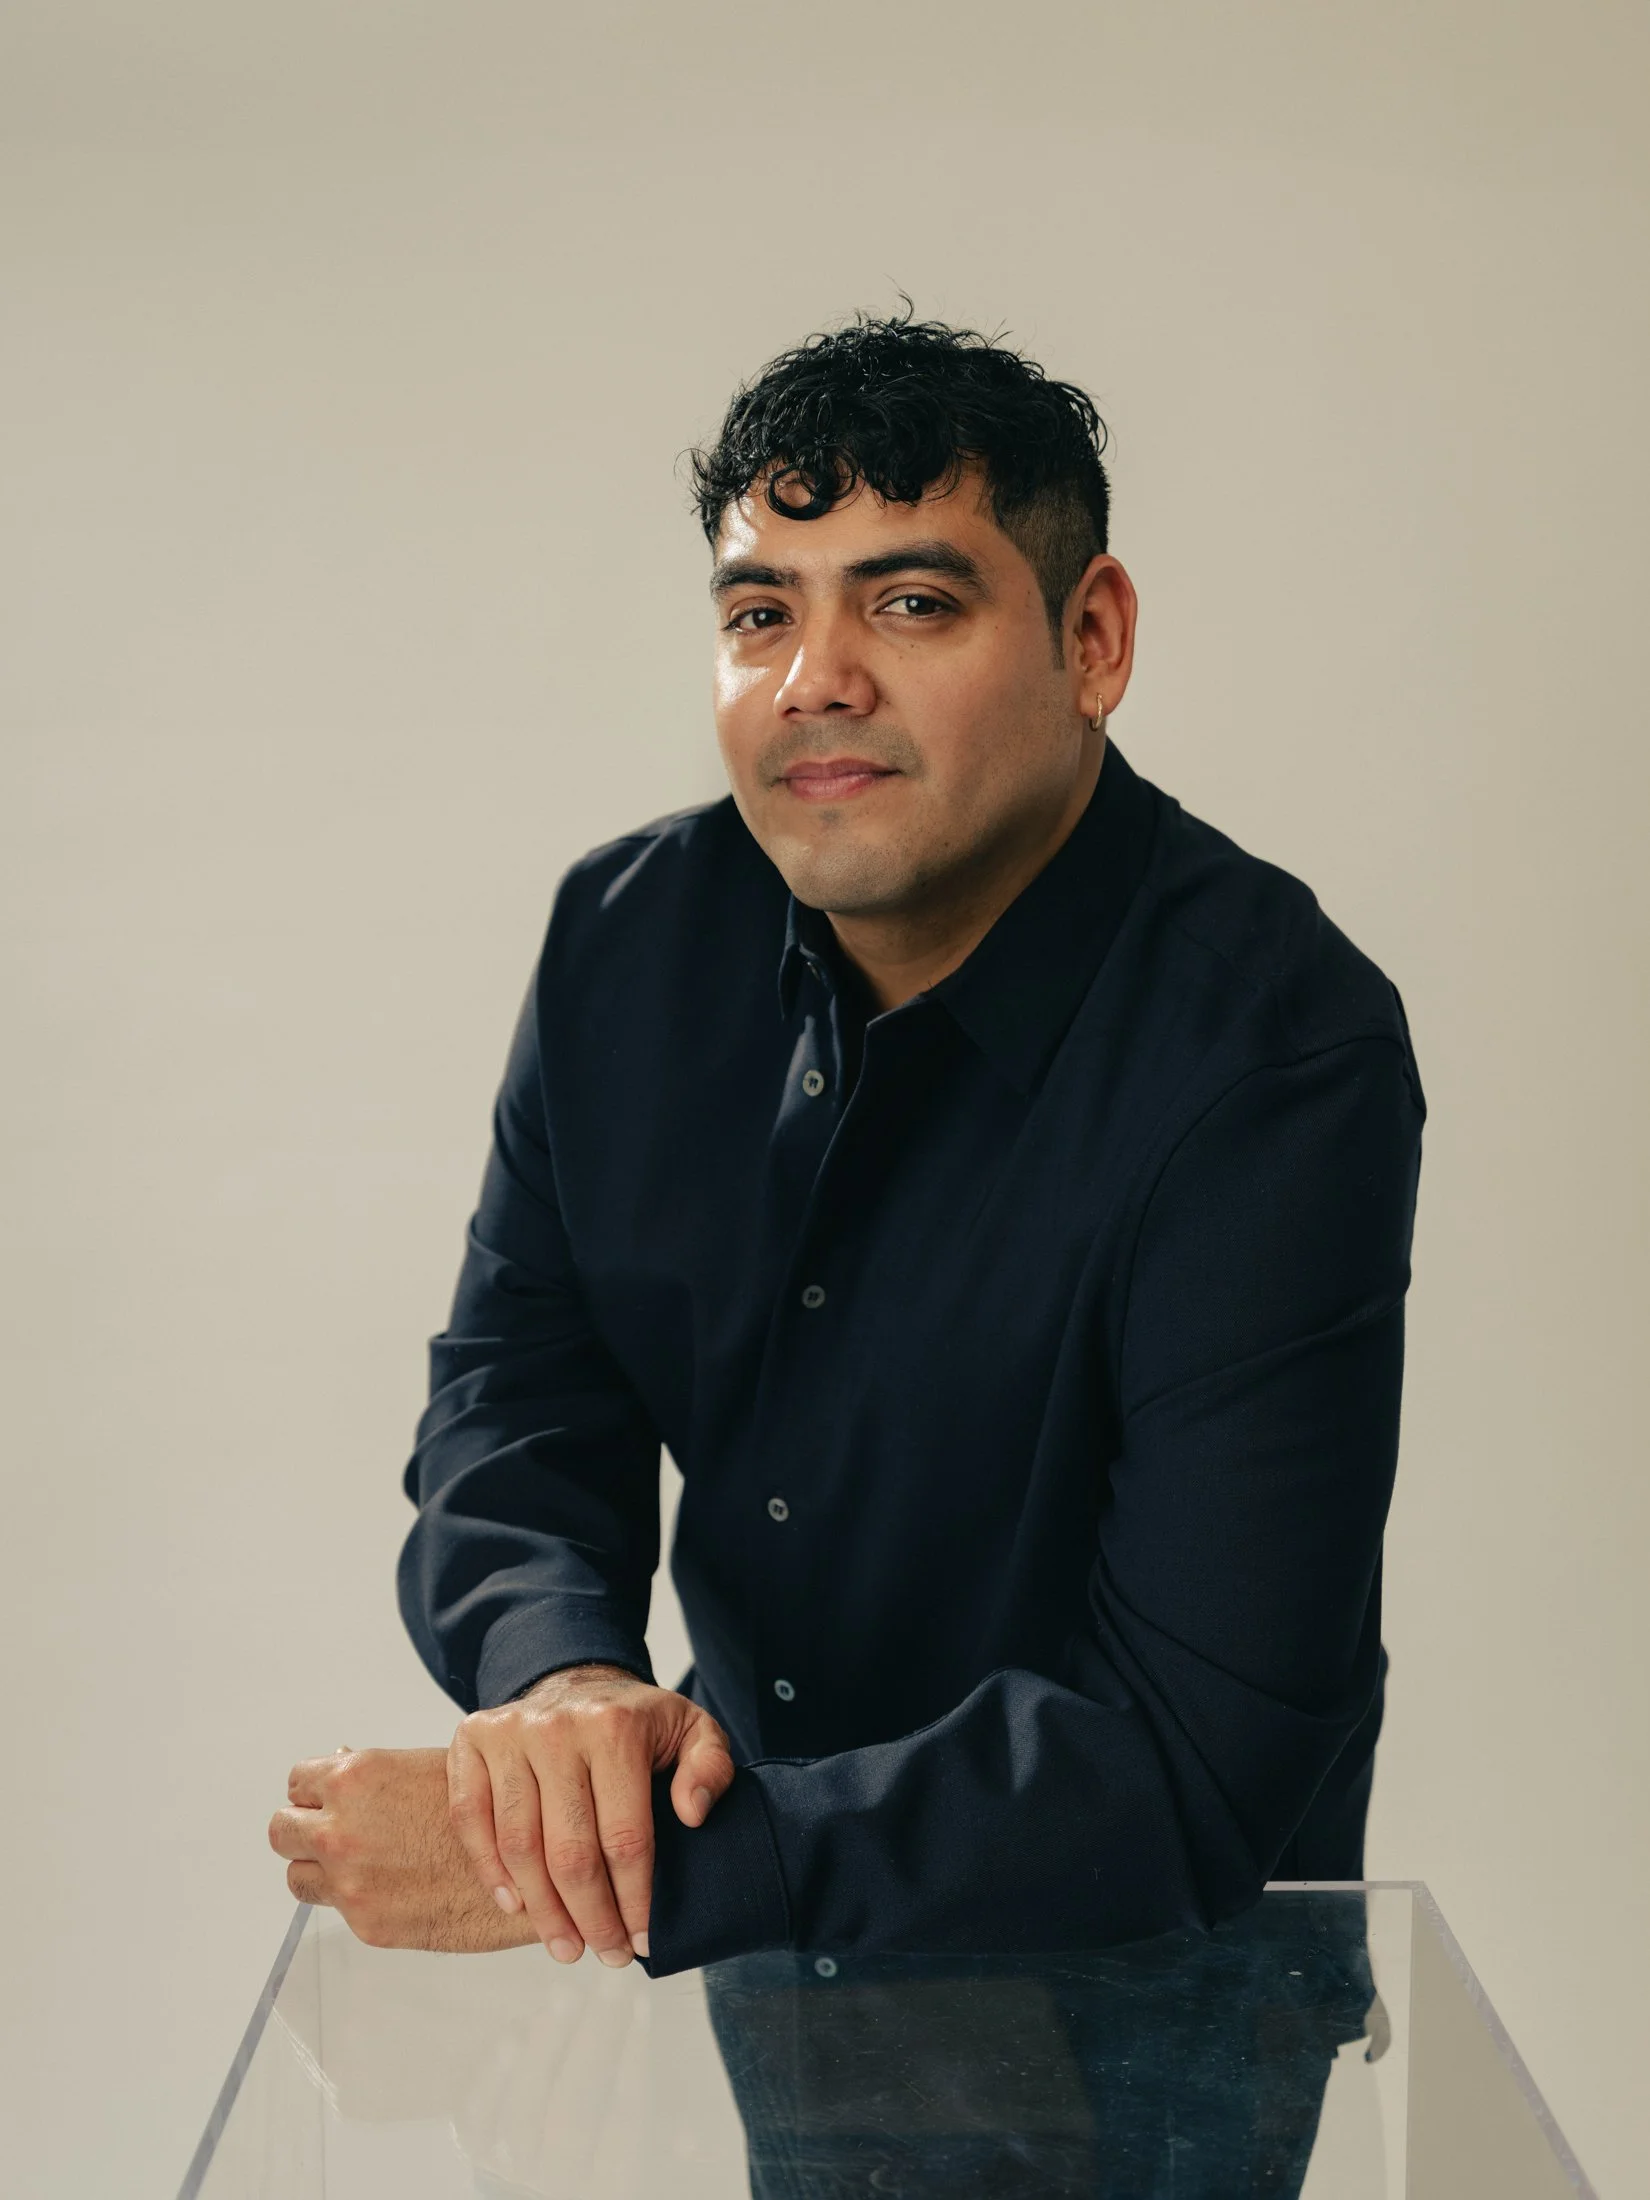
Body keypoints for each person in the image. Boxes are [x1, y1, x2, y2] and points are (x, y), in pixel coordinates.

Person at [269, 308, 1425, 1996]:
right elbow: (517, 1402)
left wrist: (583, 1871)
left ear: (1092, 639)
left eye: (910, 602)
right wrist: (565, 1687)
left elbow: (1190, 1757)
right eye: (760, 614)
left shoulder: (1275, 1054)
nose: (815, 677)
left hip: (1165, 2001)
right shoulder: (626, 938)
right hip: (763, 1974)